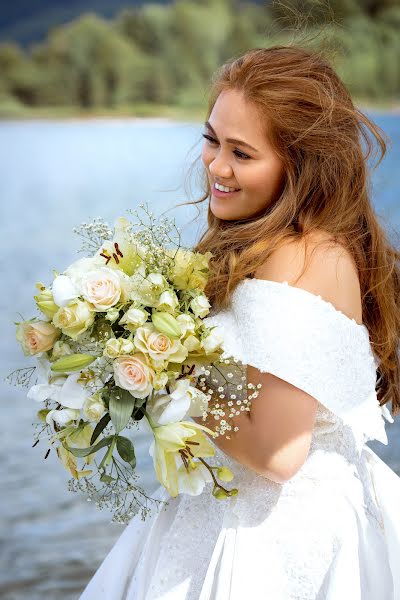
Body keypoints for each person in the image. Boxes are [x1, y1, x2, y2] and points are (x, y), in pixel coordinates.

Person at [79, 45, 400, 599]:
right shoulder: (294, 243)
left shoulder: (298, 259)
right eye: (211, 139)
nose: (216, 167)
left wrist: (159, 370)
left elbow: (278, 454)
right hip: (229, 503)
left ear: (299, 165)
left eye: (242, 153)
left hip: (270, 537)